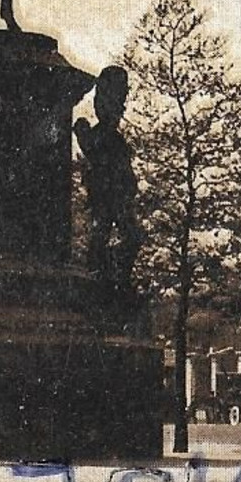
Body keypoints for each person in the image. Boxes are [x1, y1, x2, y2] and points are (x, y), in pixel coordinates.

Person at [73, 66, 143, 318]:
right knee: (106, 236)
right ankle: (105, 275)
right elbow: (101, 161)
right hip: (108, 196)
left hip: (116, 196)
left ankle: (108, 273)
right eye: (119, 99)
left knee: (123, 237)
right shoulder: (102, 137)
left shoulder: (111, 138)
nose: (122, 108)